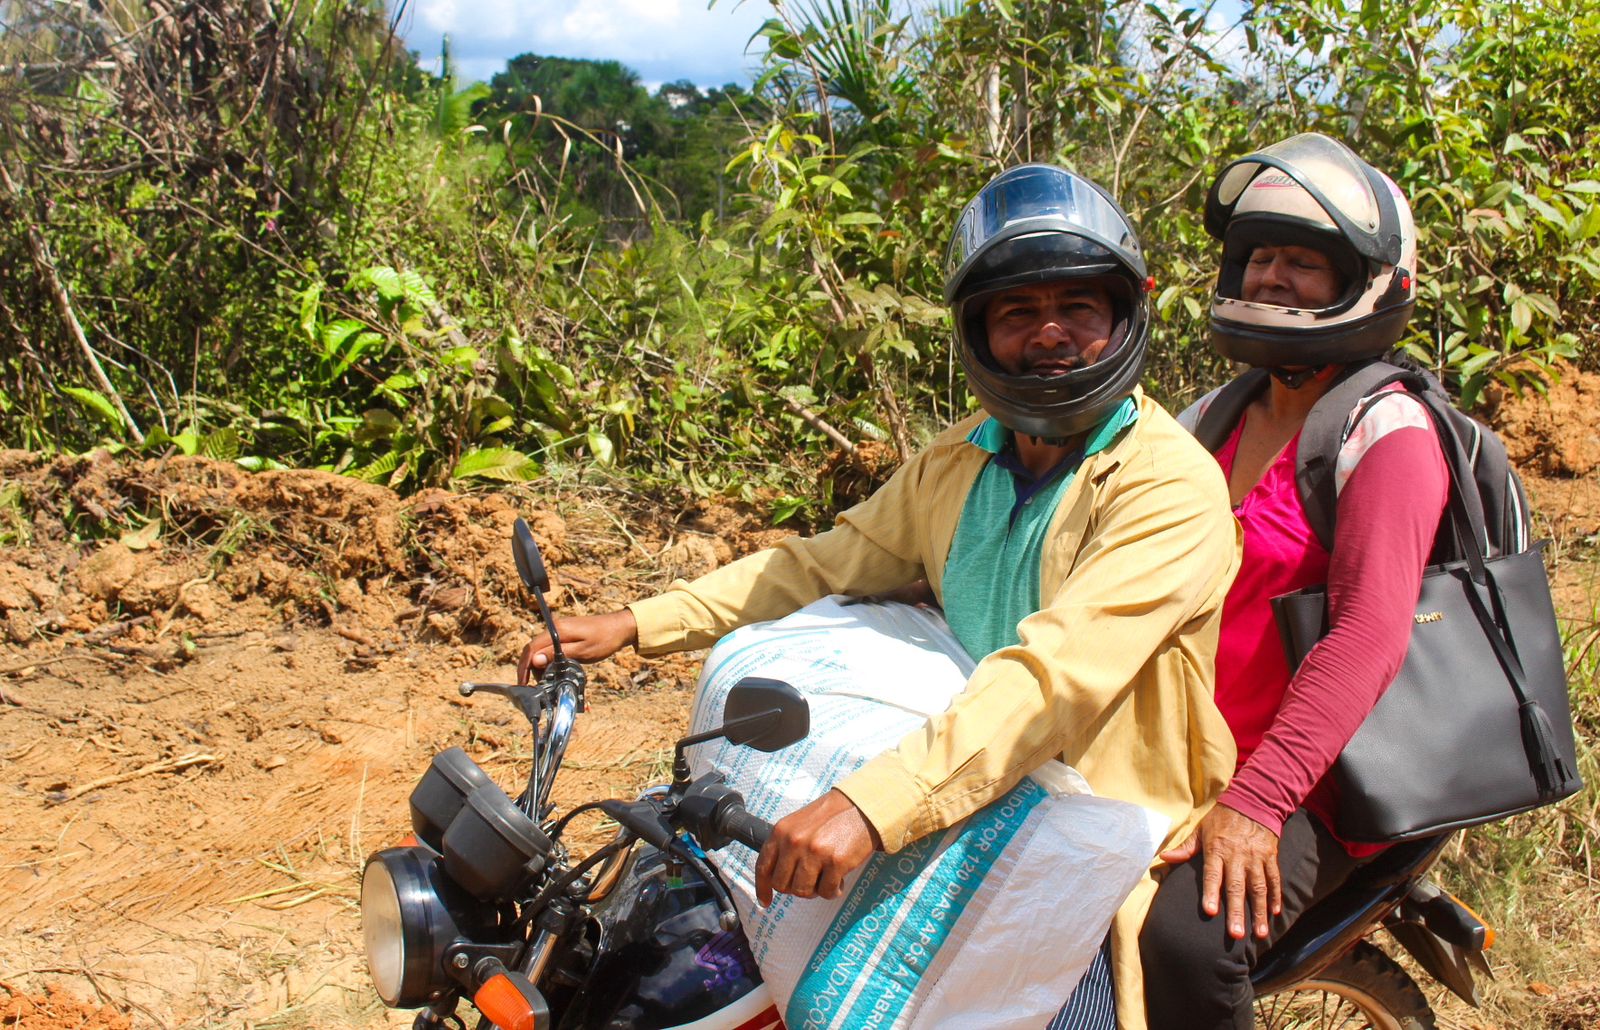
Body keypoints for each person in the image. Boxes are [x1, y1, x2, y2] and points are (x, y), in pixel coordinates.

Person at [520, 164, 1240, 1029]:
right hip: (960, 773)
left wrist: (870, 803)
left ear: (1125, 314)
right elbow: (826, 563)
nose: (1050, 332)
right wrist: (640, 621)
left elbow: (1054, 679)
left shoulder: (1169, 486)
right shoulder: (962, 458)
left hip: (1098, 824)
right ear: (977, 332)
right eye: (1017, 312)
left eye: (1079, 306)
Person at [1140, 133, 1449, 1028]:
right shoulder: (1213, 417)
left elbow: (1369, 632)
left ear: (1367, 280)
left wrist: (1260, 799)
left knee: (1187, 942)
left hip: (1308, 780)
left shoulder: (1386, 434)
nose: (1271, 277)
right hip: (1186, 753)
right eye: (1259, 256)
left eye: (1303, 263)